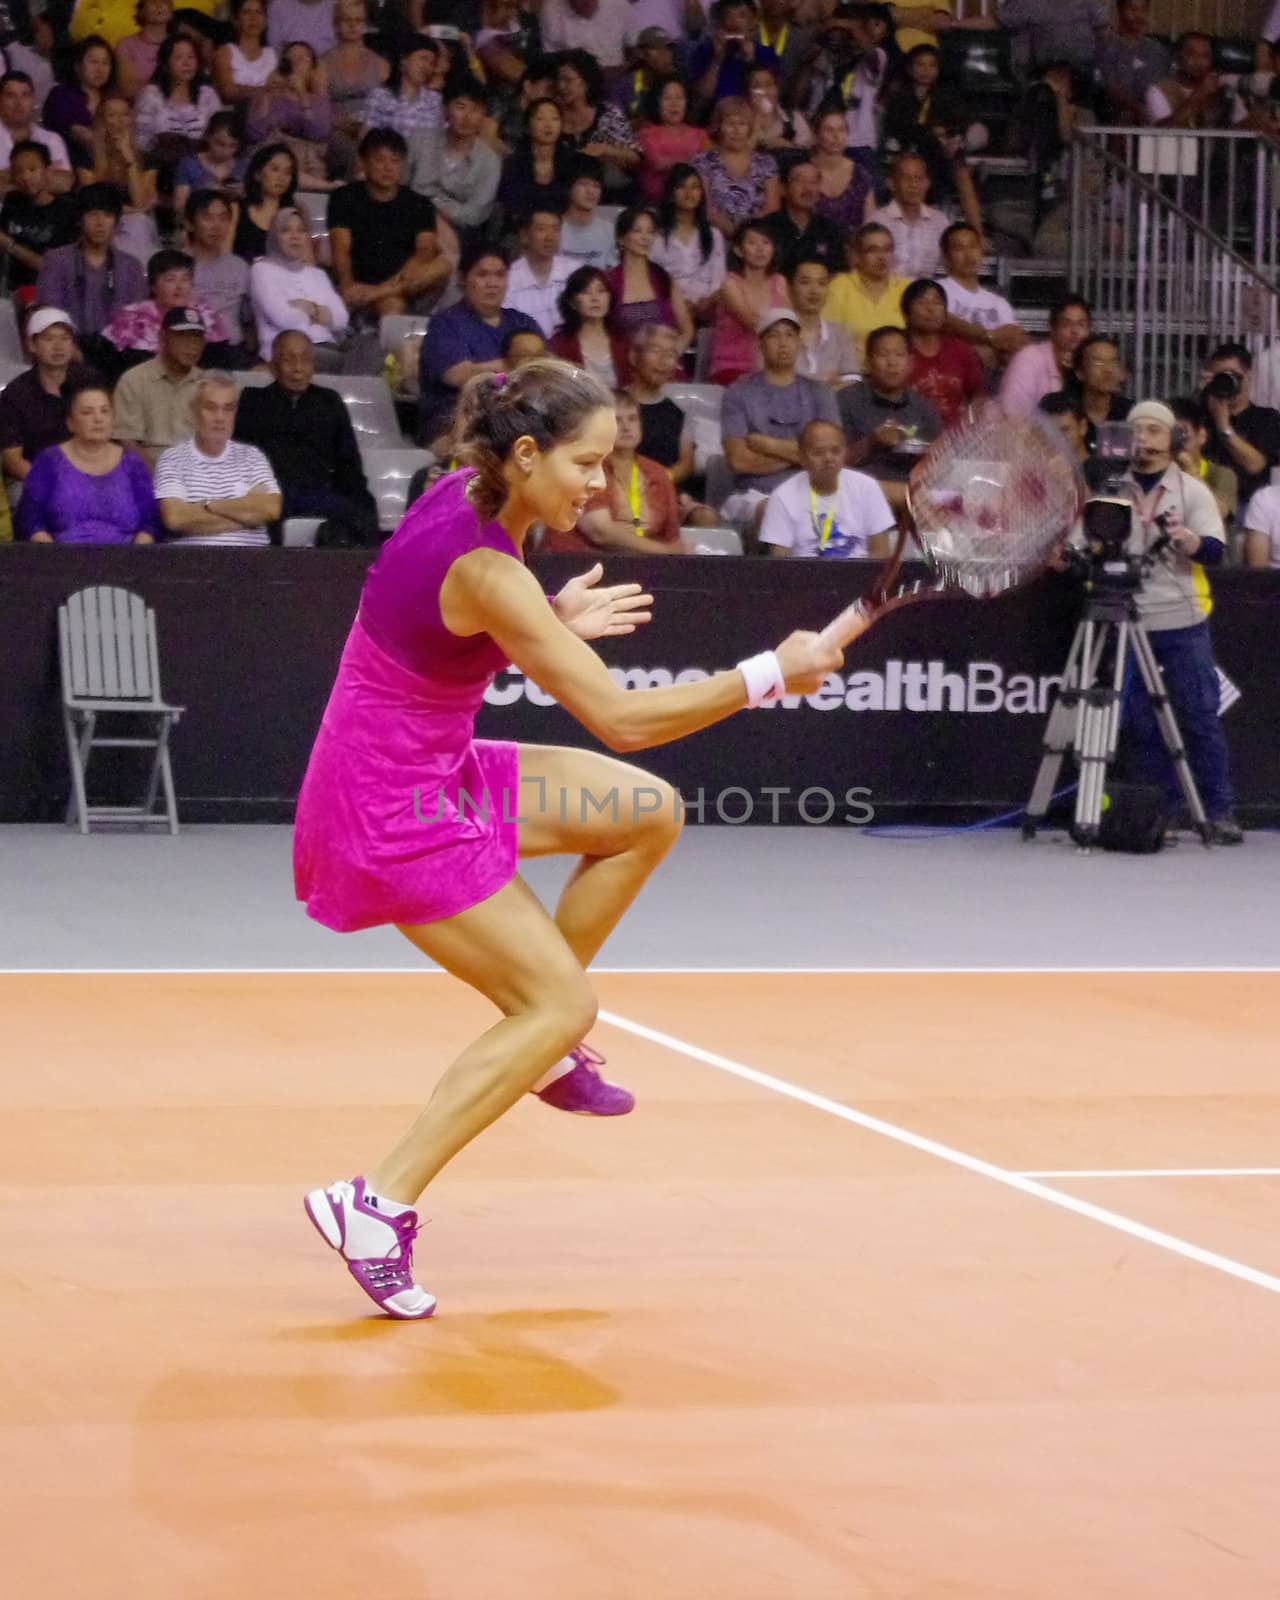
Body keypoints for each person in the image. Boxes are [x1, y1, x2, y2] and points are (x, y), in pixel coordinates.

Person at [294, 356, 845, 1318]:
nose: (601, 484)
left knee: (646, 814)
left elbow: (438, 618)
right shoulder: (489, 564)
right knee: (561, 1002)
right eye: (587, 463)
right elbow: (621, 719)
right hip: (391, 806)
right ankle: (375, 1204)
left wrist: (549, 617)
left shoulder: (471, 496)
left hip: (434, 765)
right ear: (524, 453)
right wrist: (769, 673)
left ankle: (540, 1035)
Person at [1105, 399, 1243, 843]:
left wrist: (1191, 541)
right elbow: (1084, 539)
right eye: (1136, 430)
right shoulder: (1109, 487)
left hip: (1182, 619)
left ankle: (1219, 811)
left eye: (1154, 430)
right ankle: (1156, 810)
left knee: (1200, 716)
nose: (1144, 439)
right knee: (1135, 721)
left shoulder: (1191, 490)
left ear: (1172, 439)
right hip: (1128, 618)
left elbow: (1217, 550)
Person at [235, 329, 379, 545]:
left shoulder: (329, 402)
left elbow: (349, 464)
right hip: (272, 495)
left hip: (319, 493)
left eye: (305, 360)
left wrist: (356, 498)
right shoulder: (253, 401)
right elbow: (240, 459)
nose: (297, 369)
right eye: (288, 360)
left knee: (363, 509)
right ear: (273, 366)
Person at [721, 306, 842, 533]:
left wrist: (769, 445)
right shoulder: (738, 393)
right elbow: (739, 461)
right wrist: (806, 455)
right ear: (760, 344)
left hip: (814, 490)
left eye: (789, 335)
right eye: (774, 335)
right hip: (754, 494)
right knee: (774, 510)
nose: (783, 342)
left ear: (799, 342)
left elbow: (831, 455)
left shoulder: (820, 392)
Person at [418, 241, 541, 444]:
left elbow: (548, 366)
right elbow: (459, 375)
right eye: (482, 275)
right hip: (455, 424)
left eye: (500, 275)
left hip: (516, 421)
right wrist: (519, 364)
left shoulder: (523, 322)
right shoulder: (445, 324)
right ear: (462, 279)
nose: (492, 283)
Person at [16, 374, 161, 546]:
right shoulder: (49, 461)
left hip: (125, 564)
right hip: (61, 563)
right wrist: (54, 558)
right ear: (70, 422)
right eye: (87, 412)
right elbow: (30, 522)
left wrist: (132, 557)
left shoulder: (132, 463)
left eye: (105, 411)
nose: (98, 419)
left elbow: (151, 523)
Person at [329, 127, 449, 322]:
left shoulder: (419, 204)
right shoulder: (344, 197)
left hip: (401, 282)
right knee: (392, 304)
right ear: (364, 162)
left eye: (395, 161)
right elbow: (340, 248)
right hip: (361, 281)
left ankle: (377, 295)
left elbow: (424, 252)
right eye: (380, 160)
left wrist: (381, 290)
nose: (388, 168)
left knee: (442, 264)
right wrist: (347, 285)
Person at [156, 370, 282, 546]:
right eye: (211, 407)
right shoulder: (173, 459)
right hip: (192, 565)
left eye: (228, 408)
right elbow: (175, 518)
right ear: (193, 411)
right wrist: (247, 515)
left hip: (252, 564)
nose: (220, 418)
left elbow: (270, 509)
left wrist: (209, 505)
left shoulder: (252, 456)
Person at [551, 388, 683, 553]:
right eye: (617, 420)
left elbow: (673, 539)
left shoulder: (658, 473)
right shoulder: (585, 465)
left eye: (632, 419)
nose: (626, 427)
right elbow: (600, 532)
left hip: (643, 566)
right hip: (580, 563)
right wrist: (661, 552)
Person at [839, 323, 941, 512]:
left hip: (912, 492)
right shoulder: (846, 401)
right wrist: (871, 442)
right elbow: (831, 463)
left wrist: (934, 453)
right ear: (868, 363)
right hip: (859, 495)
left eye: (899, 355)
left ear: (911, 363)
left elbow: (939, 461)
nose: (892, 362)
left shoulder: (923, 407)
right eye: (883, 355)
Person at [760, 418, 895, 558]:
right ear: (801, 457)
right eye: (818, 453)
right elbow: (780, 563)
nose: (828, 458)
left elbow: (881, 554)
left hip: (861, 575)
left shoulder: (868, 487)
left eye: (836, 451)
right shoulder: (783, 497)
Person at [35, 183, 146, 341]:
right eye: (92, 214)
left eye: (107, 215)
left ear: (116, 222)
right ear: (80, 219)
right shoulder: (56, 260)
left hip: (119, 354)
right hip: (68, 351)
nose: (100, 223)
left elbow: (137, 322)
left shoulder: (131, 267)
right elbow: (49, 317)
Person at [249, 204, 348, 365]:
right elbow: (284, 319)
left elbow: (341, 319)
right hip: (287, 353)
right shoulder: (262, 269)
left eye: (301, 230)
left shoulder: (318, 275)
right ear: (275, 236)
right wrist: (321, 314)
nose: (295, 236)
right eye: (286, 230)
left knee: (373, 348)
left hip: (328, 346)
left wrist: (306, 307)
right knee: (345, 362)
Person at [112, 304, 206, 467]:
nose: (192, 345)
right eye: (183, 336)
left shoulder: (207, 385)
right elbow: (127, 443)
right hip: (149, 476)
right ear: (163, 338)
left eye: (197, 337)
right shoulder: (134, 380)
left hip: (199, 476)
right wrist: (165, 480)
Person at [405, 81, 501, 240]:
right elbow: (399, 185)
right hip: (410, 220)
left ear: (484, 115)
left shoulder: (490, 161)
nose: (467, 117)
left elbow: (474, 216)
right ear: (445, 110)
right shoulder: (420, 140)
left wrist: (432, 201)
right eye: (460, 107)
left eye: (475, 109)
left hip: (458, 233)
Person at [103, 247, 233, 364]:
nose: (180, 286)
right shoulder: (131, 319)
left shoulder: (206, 315)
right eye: (170, 279)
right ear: (153, 286)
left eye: (185, 279)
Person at [0, 307, 83, 486]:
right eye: (48, 338)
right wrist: (53, 487)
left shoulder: (90, 383)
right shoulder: (14, 395)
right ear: (32, 345)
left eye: (65, 338)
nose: (58, 346)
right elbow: (13, 460)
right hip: (34, 480)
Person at [1198, 343, 1280, 508]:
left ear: (1249, 376)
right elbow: (1186, 462)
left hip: (1248, 507)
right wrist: (1198, 396)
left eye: (1234, 376)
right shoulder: (1199, 417)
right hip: (1203, 502)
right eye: (1220, 377)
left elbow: (1256, 465)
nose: (1227, 382)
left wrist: (1224, 428)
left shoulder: (1267, 418)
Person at [709, 217, 788, 387]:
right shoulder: (730, 284)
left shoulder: (779, 281)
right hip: (732, 368)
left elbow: (790, 323)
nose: (760, 249)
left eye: (766, 242)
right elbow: (753, 323)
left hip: (772, 368)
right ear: (738, 250)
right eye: (752, 243)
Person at [936, 220, 1025, 368]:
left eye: (973, 246)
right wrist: (989, 338)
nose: (969, 254)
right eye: (959, 248)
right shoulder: (939, 289)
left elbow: (1015, 338)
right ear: (946, 257)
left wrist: (994, 349)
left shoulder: (998, 302)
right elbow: (944, 321)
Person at [603, 205, 693, 350]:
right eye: (637, 231)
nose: (645, 238)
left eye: (650, 232)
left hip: (664, 363)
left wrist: (671, 356)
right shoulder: (608, 280)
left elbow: (687, 329)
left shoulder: (663, 277)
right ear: (621, 238)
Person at [901, 277, 984, 429]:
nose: (931, 309)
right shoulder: (898, 349)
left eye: (938, 303)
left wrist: (969, 427)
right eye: (922, 302)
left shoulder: (961, 350)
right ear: (907, 314)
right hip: (909, 436)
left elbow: (978, 397)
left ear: (945, 313)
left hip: (955, 441)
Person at [692, 96, 779, 240]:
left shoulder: (766, 163)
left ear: (750, 128)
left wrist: (747, 238)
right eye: (730, 123)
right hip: (714, 239)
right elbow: (707, 209)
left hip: (756, 242)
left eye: (742, 124)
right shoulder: (703, 162)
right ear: (719, 127)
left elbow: (772, 208)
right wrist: (736, 235)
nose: (736, 130)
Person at [552, 49, 639, 192]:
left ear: (586, 82)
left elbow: (634, 158)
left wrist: (606, 150)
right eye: (559, 80)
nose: (561, 86)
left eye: (568, 80)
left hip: (606, 191)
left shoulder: (608, 114)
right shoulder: (552, 114)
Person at [825, 222, 909, 369]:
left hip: (897, 375)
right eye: (873, 250)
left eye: (887, 250)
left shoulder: (906, 288)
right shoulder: (838, 287)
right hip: (852, 375)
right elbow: (829, 341)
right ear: (857, 256)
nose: (882, 257)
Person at [650, 165, 725, 325]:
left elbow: (719, 279)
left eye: (695, 187)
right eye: (682, 187)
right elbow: (653, 280)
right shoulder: (656, 238)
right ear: (671, 194)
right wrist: (678, 303)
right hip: (668, 310)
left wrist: (707, 302)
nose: (689, 193)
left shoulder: (713, 235)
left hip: (708, 309)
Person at [0, 142, 77, 292]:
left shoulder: (66, 210)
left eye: (32, 169)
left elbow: (52, 267)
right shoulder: (13, 200)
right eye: (18, 171)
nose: (25, 177)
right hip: (11, 289)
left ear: (47, 170)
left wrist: (9, 244)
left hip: (48, 290)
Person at [998, 292, 1090, 416]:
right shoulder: (1029, 359)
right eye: (1066, 324)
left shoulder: (1088, 363)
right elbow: (1011, 416)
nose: (1074, 331)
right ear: (1052, 329)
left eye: (1081, 324)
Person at [134, 34, 223, 152]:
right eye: (178, 57)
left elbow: (220, 135)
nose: (187, 63)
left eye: (191, 57)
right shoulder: (151, 95)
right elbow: (140, 140)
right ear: (165, 63)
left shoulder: (208, 94)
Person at [548, 264, 631, 389]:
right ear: (572, 303)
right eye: (586, 292)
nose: (595, 298)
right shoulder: (560, 344)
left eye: (601, 291)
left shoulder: (624, 339)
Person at [870, 151, 950, 280]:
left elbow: (951, 265)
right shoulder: (877, 222)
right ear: (891, 183)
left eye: (918, 178)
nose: (913, 185)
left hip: (926, 296)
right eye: (906, 178)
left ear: (927, 184)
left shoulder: (940, 222)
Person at [43, 33, 117, 171]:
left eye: (106, 63)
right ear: (77, 66)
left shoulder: (113, 100)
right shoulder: (61, 95)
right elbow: (80, 134)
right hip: (70, 165)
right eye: (93, 61)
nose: (100, 69)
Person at [497, 98, 577, 225]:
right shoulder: (514, 164)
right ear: (528, 125)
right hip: (522, 231)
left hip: (563, 229)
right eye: (540, 119)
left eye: (555, 119)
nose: (548, 125)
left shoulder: (573, 162)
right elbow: (511, 208)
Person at [187, 189, 250, 349]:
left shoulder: (240, 267)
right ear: (190, 222)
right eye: (207, 218)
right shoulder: (177, 266)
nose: (216, 226)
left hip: (233, 350)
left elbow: (249, 319)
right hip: (191, 349)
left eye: (223, 219)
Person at [759, 160, 843, 277]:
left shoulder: (829, 229)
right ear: (783, 189)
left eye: (813, 182)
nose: (808, 188)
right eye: (800, 181)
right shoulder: (765, 228)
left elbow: (838, 272)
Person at [503, 207, 576, 340]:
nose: (550, 237)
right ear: (524, 236)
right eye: (541, 229)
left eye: (556, 229)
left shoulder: (575, 272)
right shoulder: (508, 279)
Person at [636, 76, 707, 205]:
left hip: (694, 204)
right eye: (667, 98)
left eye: (679, 98)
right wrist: (694, 163)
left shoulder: (700, 135)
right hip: (656, 205)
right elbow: (659, 163)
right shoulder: (646, 133)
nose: (674, 104)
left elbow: (708, 167)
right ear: (656, 103)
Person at [1097, 0, 1170, 125]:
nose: (1138, 15)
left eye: (1143, 10)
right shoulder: (1106, 47)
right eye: (1132, 9)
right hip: (1115, 113)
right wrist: (1136, 108)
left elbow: (1164, 87)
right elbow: (1109, 88)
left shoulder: (1157, 49)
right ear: (1119, 12)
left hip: (1153, 114)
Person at [360, 34, 443, 143]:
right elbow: (365, 139)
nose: (427, 66)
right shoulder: (380, 97)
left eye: (431, 63)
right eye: (423, 59)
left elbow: (439, 141)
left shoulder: (434, 101)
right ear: (404, 61)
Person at [1169, 395, 1236, 528]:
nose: (1177, 444)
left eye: (1182, 435)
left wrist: (1189, 468)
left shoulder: (1220, 474)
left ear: (1201, 435)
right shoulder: (1157, 471)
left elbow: (1218, 513)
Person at [0, 71, 73, 193]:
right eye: (10, 96)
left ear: (33, 100)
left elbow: (64, 184)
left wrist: (9, 176)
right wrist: (43, 174)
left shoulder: (51, 140)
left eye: (25, 95)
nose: (19, 103)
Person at [789, 256, 856, 384]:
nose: (814, 290)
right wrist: (824, 381)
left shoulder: (841, 334)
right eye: (805, 282)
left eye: (822, 283)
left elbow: (852, 381)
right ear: (790, 288)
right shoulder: (776, 334)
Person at [809, 106, 874, 237]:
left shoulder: (861, 174)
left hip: (852, 250)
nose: (836, 136)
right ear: (816, 135)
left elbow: (870, 225)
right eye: (829, 130)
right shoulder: (803, 171)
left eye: (841, 130)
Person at [232, 142, 297, 263]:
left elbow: (307, 260)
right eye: (275, 169)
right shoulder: (236, 209)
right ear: (257, 174)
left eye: (288, 172)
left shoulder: (294, 213)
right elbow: (224, 255)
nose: (281, 178)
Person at [1067, 333, 1131, 453]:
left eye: (1113, 362)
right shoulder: (1067, 413)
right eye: (1098, 362)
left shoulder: (1128, 413)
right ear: (1080, 372)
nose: (1108, 370)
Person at [212, 0, 278, 108]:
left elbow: (278, 90)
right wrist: (264, 90)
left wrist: (242, 89)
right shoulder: (225, 52)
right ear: (236, 20)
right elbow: (228, 92)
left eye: (258, 12)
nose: (253, 18)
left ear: (265, 20)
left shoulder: (273, 55)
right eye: (247, 12)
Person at [557, 158, 617, 271]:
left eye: (596, 186)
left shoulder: (609, 230)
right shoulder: (553, 229)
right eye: (583, 184)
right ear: (569, 188)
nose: (590, 191)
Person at [116, 0, 177, 103]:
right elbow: (128, 89)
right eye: (153, 1)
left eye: (165, 1)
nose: (159, 5)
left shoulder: (181, 45)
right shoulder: (126, 45)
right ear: (142, 10)